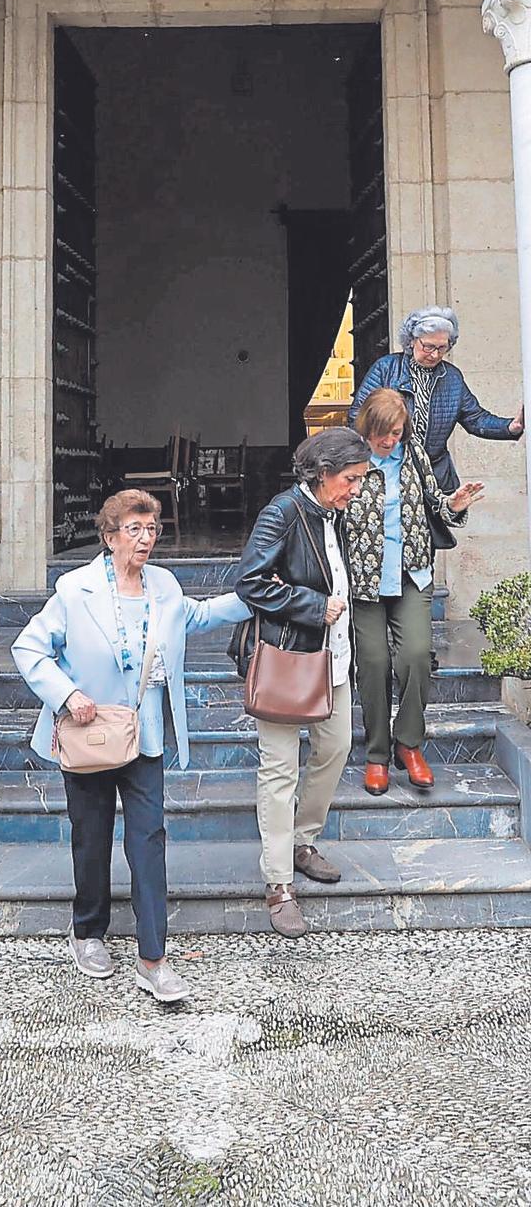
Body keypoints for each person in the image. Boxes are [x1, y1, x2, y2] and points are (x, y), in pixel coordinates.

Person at [12, 488, 248, 998]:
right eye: (135, 530)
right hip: (90, 735)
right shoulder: (75, 590)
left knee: (148, 840)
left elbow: (199, 616)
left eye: (152, 529)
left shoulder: (163, 585)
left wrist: (254, 596)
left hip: (144, 736)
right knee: (91, 839)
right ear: (110, 536)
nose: (146, 539)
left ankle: (153, 957)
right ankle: (89, 933)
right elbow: (28, 647)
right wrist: (67, 693)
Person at [234, 427, 370, 939]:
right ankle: (278, 883)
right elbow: (249, 580)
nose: (355, 489)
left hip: (331, 660)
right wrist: (316, 606)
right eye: (350, 479)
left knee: (333, 750)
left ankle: (302, 840)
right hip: (288, 661)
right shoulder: (284, 512)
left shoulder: (333, 513)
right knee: (279, 770)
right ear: (321, 473)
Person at [344, 389, 483, 796]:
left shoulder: (415, 455)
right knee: (371, 663)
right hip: (365, 582)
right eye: (382, 435)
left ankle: (408, 743)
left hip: (411, 575)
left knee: (417, 656)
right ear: (367, 428)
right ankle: (376, 754)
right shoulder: (348, 460)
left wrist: (453, 503)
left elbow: (436, 505)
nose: (389, 442)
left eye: (396, 434)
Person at [350, 306, 523, 493]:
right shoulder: (386, 368)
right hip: (387, 470)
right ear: (411, 341)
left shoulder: (452, 377)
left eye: (442, 348)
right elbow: (358, 415)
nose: (435, 355)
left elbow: (475, 418)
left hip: (435, 476)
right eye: (428, 346)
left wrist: (511, 427)